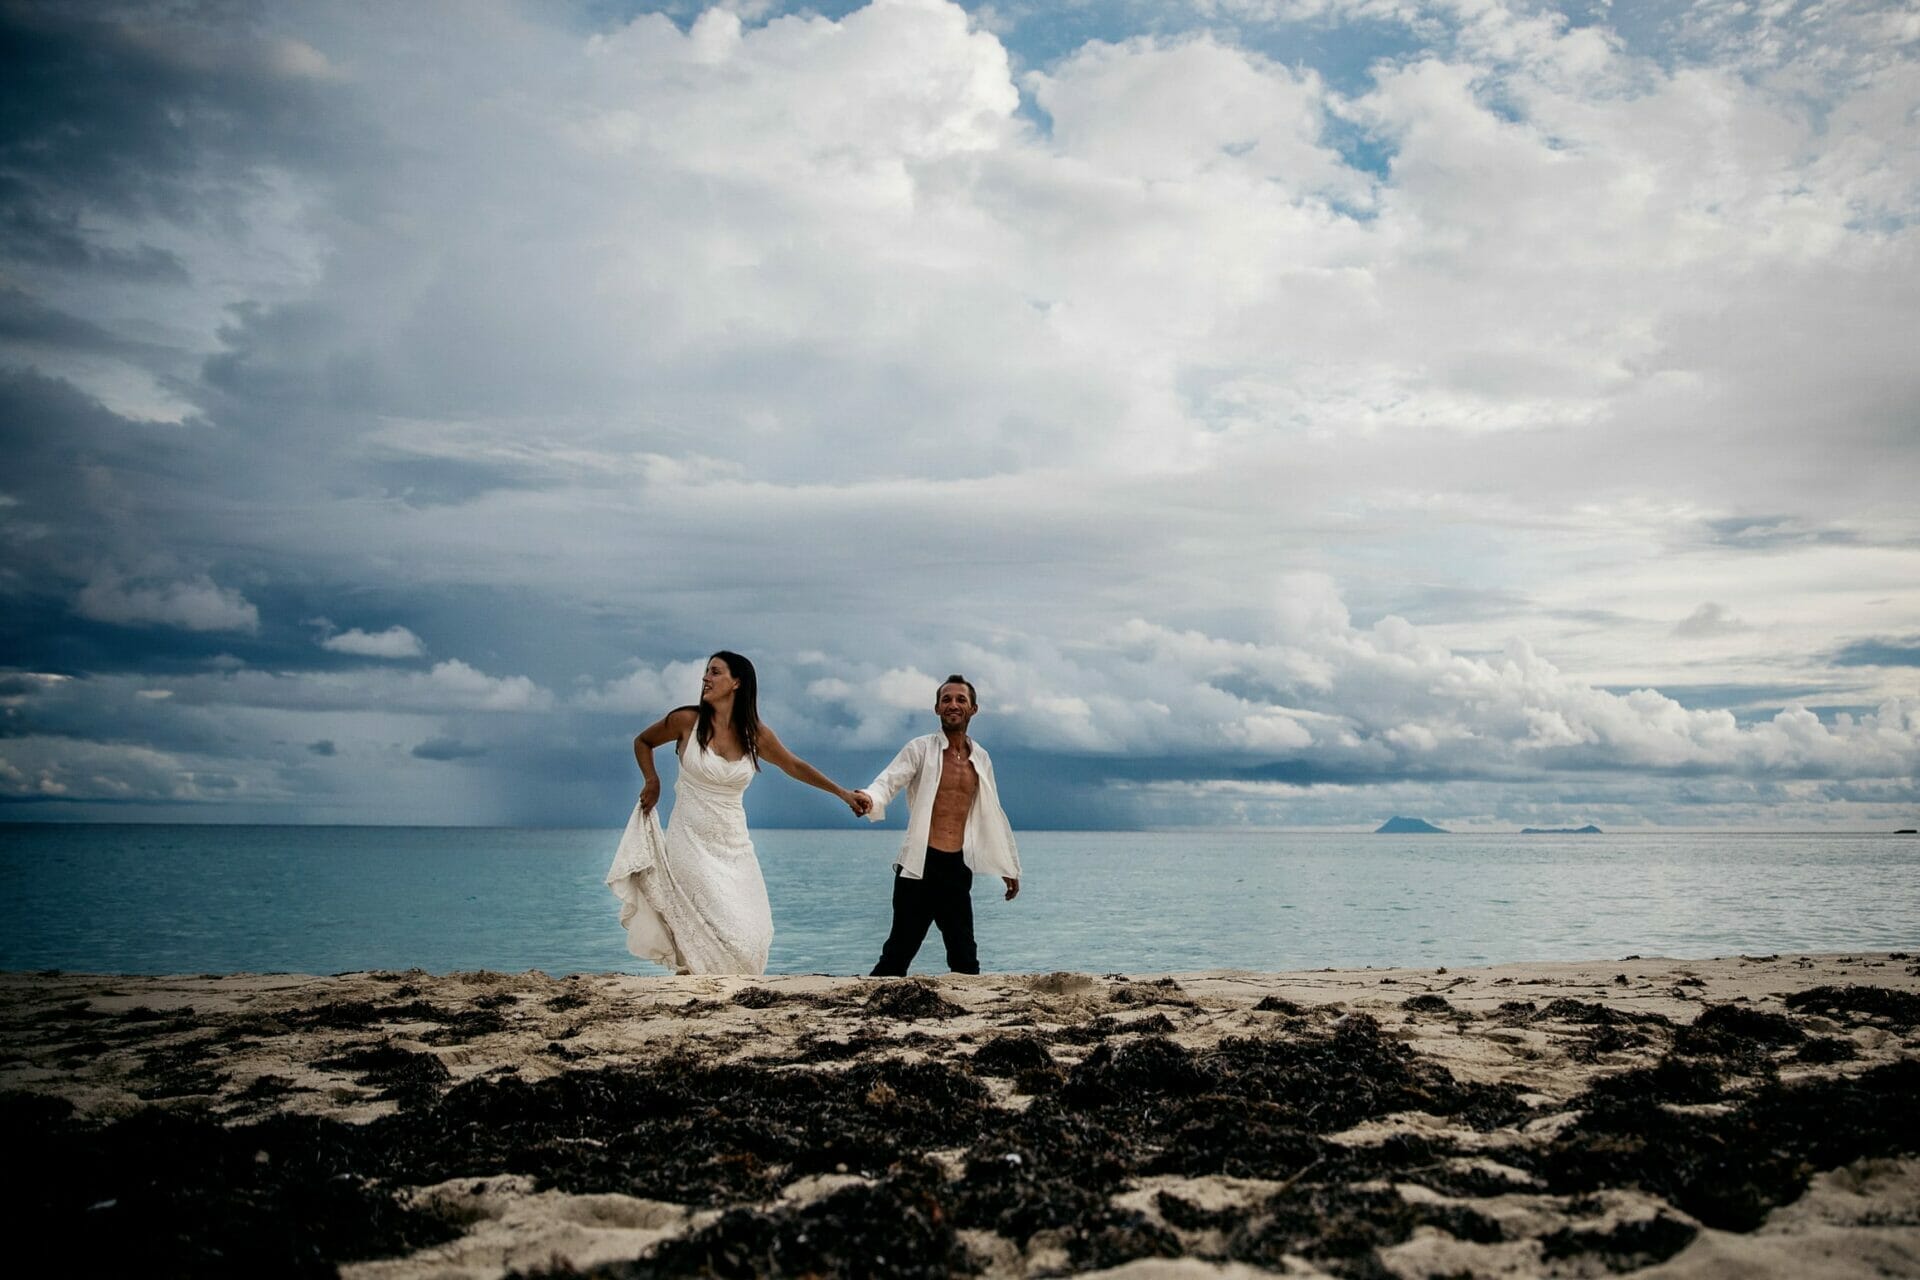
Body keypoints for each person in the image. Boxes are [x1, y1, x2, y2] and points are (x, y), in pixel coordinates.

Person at [605, 651, 863, 975]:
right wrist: (652, 780)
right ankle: (702, 982)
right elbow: (642, 741)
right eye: (706, 672)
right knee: (711, 921)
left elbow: (793, 765)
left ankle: (713, 984)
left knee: (754, 932)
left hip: (735, 843)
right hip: (690, 840)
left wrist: (841, 793)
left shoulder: (755, 734)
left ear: (737, 682)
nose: (706, 679)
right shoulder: (687, 721)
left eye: (715, 672)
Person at [853, 674, 1021, 976]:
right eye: (946, 699)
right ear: (936, 708)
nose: (953, 704)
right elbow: (889, 781)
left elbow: (992, 814)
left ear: (973, 709)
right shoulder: (921, 749)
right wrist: (869, 797)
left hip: (956, 869)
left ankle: (970, 1019)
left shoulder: (980, 758)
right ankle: (871, 1012)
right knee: (898, 953)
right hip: (919, 866)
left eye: (960, 700)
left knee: (965, 958)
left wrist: (1008, 865)